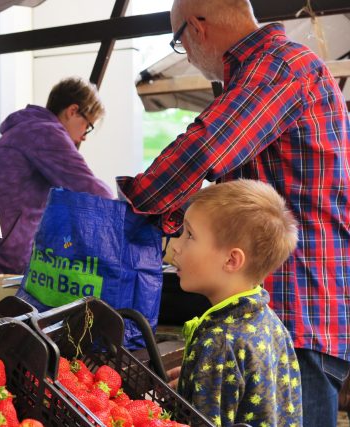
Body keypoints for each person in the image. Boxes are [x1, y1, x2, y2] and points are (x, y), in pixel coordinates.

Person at [118, 0, 350, 425]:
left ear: (197, 27)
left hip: (298, 312)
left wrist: (133, 210)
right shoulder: (272, 71)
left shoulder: (280, 66)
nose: (184, 53)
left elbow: (205, 146)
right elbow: (231, 207)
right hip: (285, 317)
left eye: (178, 40)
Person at [0, 77, 113, 282]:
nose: (84, 136)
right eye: (88, 126)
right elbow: (87, 187)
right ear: (72, 111)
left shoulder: (28, 129)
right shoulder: (44, 133)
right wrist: (128, 209)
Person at [167, 179, 301, 427]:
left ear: (231, 260)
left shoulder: (219, 342)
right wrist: (194, 380)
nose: (174, 245)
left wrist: (208, 369)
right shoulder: (268, 322)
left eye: (189, 235)